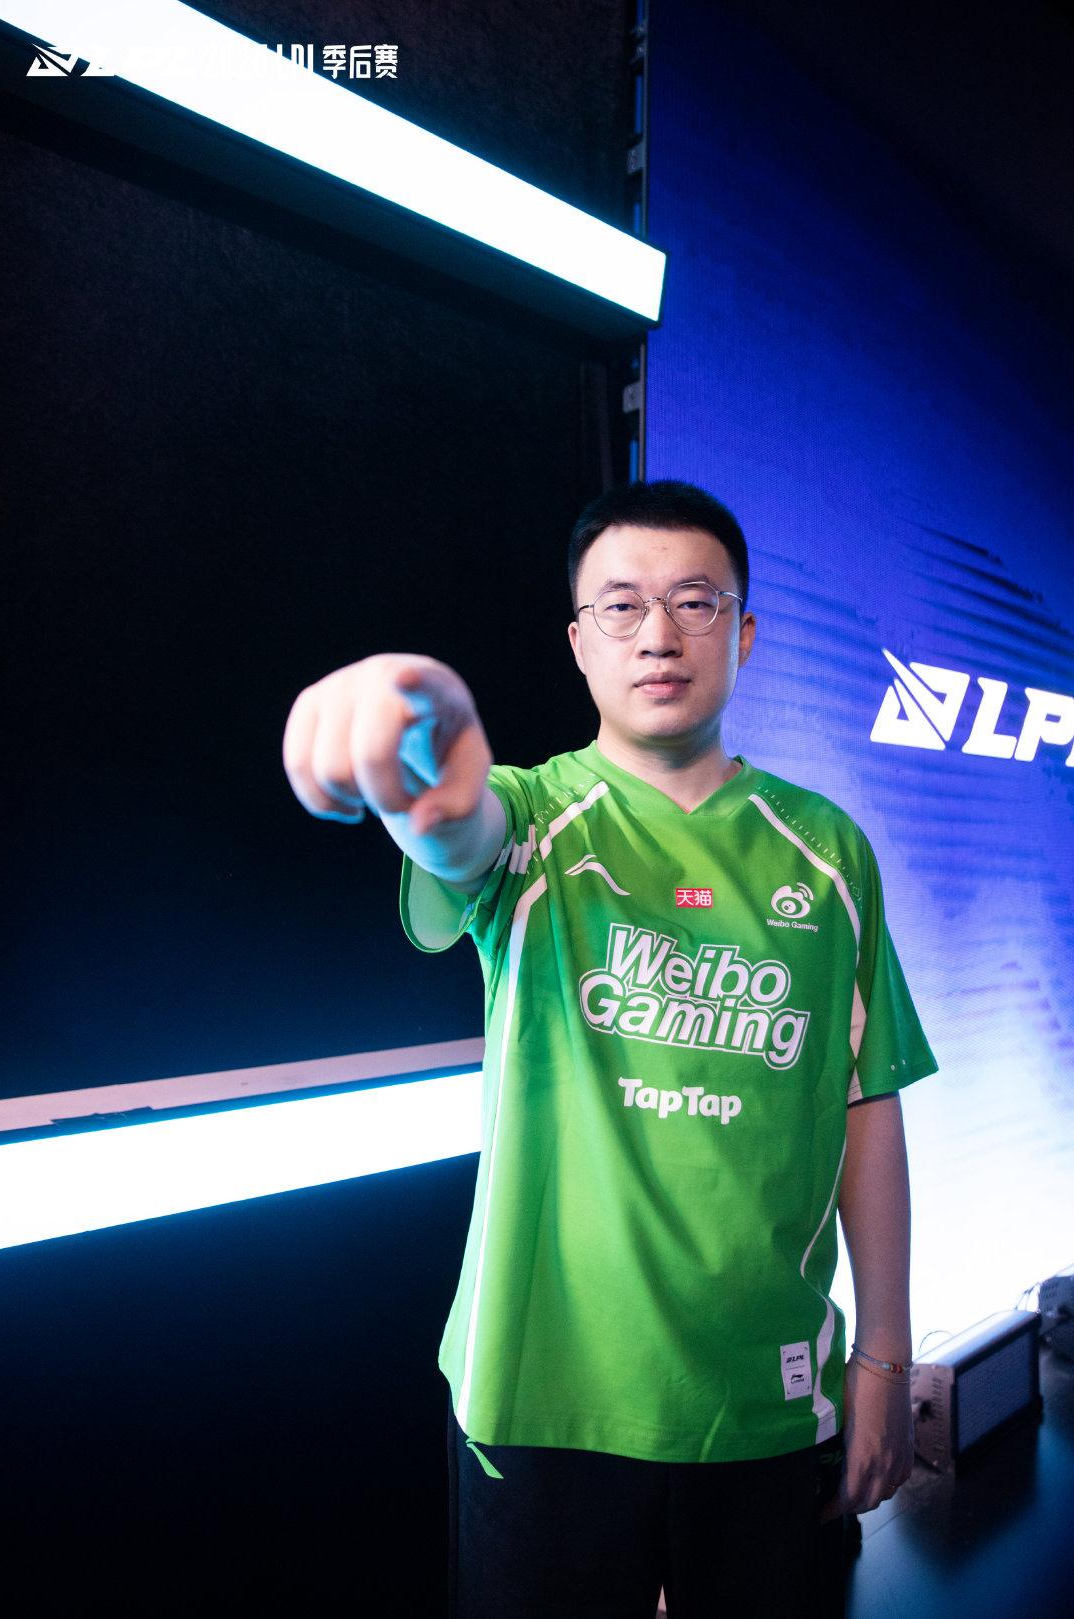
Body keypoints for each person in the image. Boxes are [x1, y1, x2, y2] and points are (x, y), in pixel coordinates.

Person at [282, 480, 937, 1618]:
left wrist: (883, 1353)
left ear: (743, 633)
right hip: (542, 1397)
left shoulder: (830, 851)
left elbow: (865, 1103)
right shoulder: (534, 819)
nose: (658, 634)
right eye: (622, 605)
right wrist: (420, 744)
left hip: (769, 1396)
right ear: (580, 642)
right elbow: (456, 827)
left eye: (694, 601)